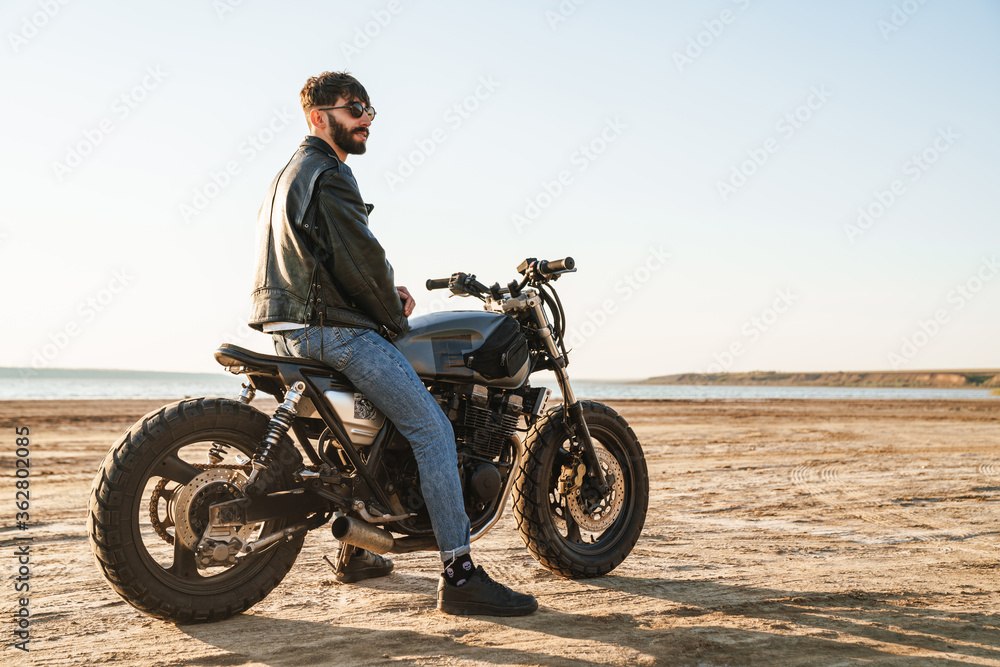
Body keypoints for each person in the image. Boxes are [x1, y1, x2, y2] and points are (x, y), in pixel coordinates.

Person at [248, 71, 537, 616]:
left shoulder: (288, 174)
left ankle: (359, 551)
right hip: (328, 331)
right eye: (354, 108)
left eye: (370, 110)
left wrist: (378, 294)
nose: (366, 119)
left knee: (372, 429)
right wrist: (390, 312)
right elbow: (360, 256)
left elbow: (326, 259)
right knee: (432, 429)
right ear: (318, 117)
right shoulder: (329, 172)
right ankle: (460, 575)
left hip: (286, 326)